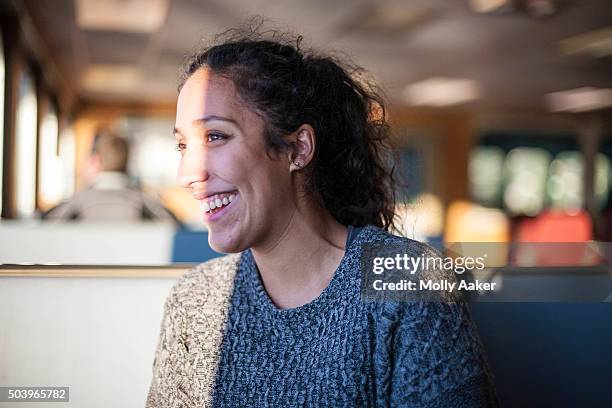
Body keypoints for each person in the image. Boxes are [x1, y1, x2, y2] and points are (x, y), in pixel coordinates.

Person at [147, 26, 497, 407]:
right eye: (183, 145)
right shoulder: (195, 301)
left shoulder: (407, 284)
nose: (188, 174)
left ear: (297, 148)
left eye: (215, 136)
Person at [44, 130, 179, 224]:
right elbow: (174, 227)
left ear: (95, 161)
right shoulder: (145, 201)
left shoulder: (77, 201)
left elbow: (44, 227)